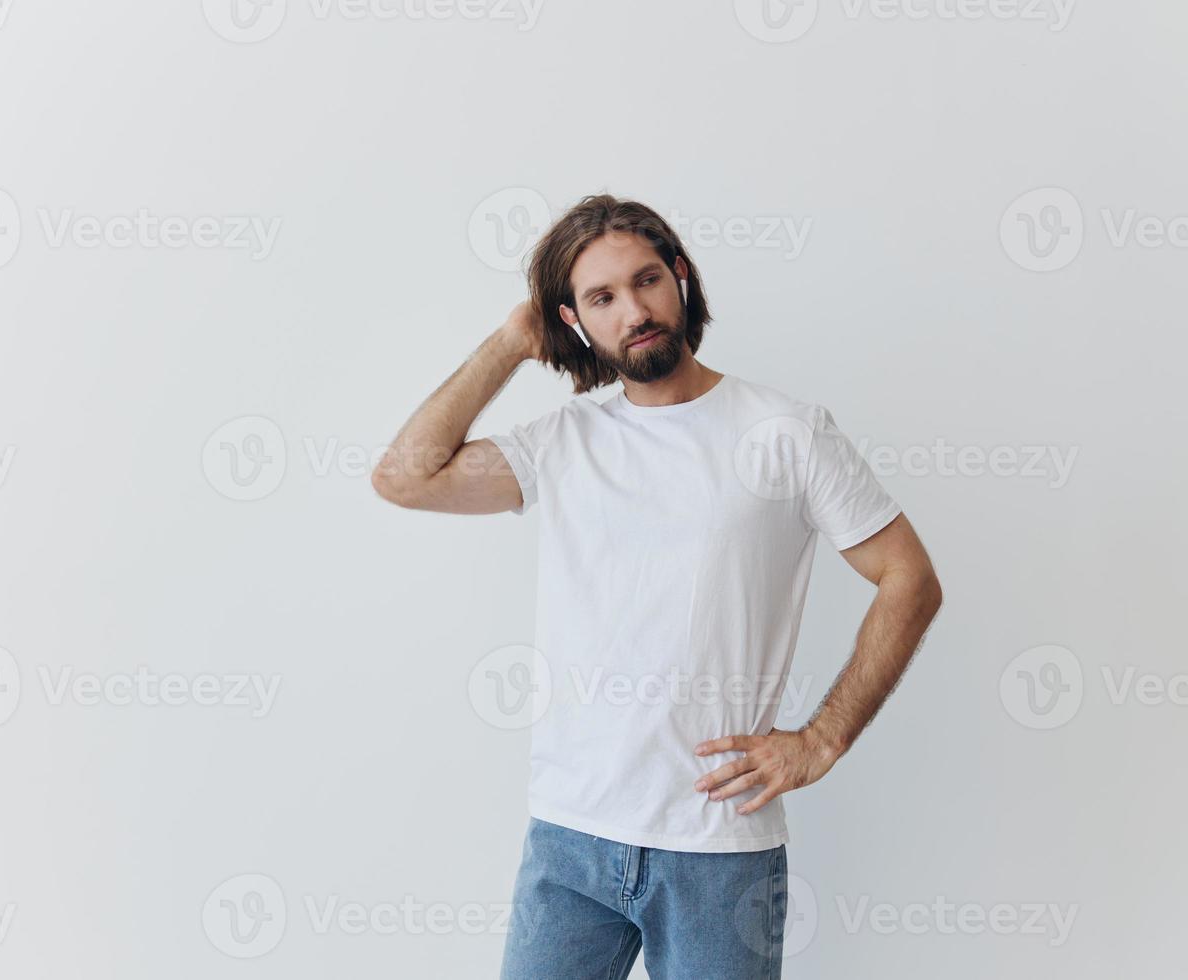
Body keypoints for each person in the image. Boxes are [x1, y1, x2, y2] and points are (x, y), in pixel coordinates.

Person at [371, 193, 943, 979]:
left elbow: (909, 577)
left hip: (717, 851)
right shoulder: (568, 441)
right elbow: (404, 478)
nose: (633, 310)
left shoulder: (785, 431)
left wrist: (821, 739)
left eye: (645, 280)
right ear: (573, 321)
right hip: (569, 842)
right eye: (601, 298)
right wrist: (509, 342)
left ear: (680, 277)